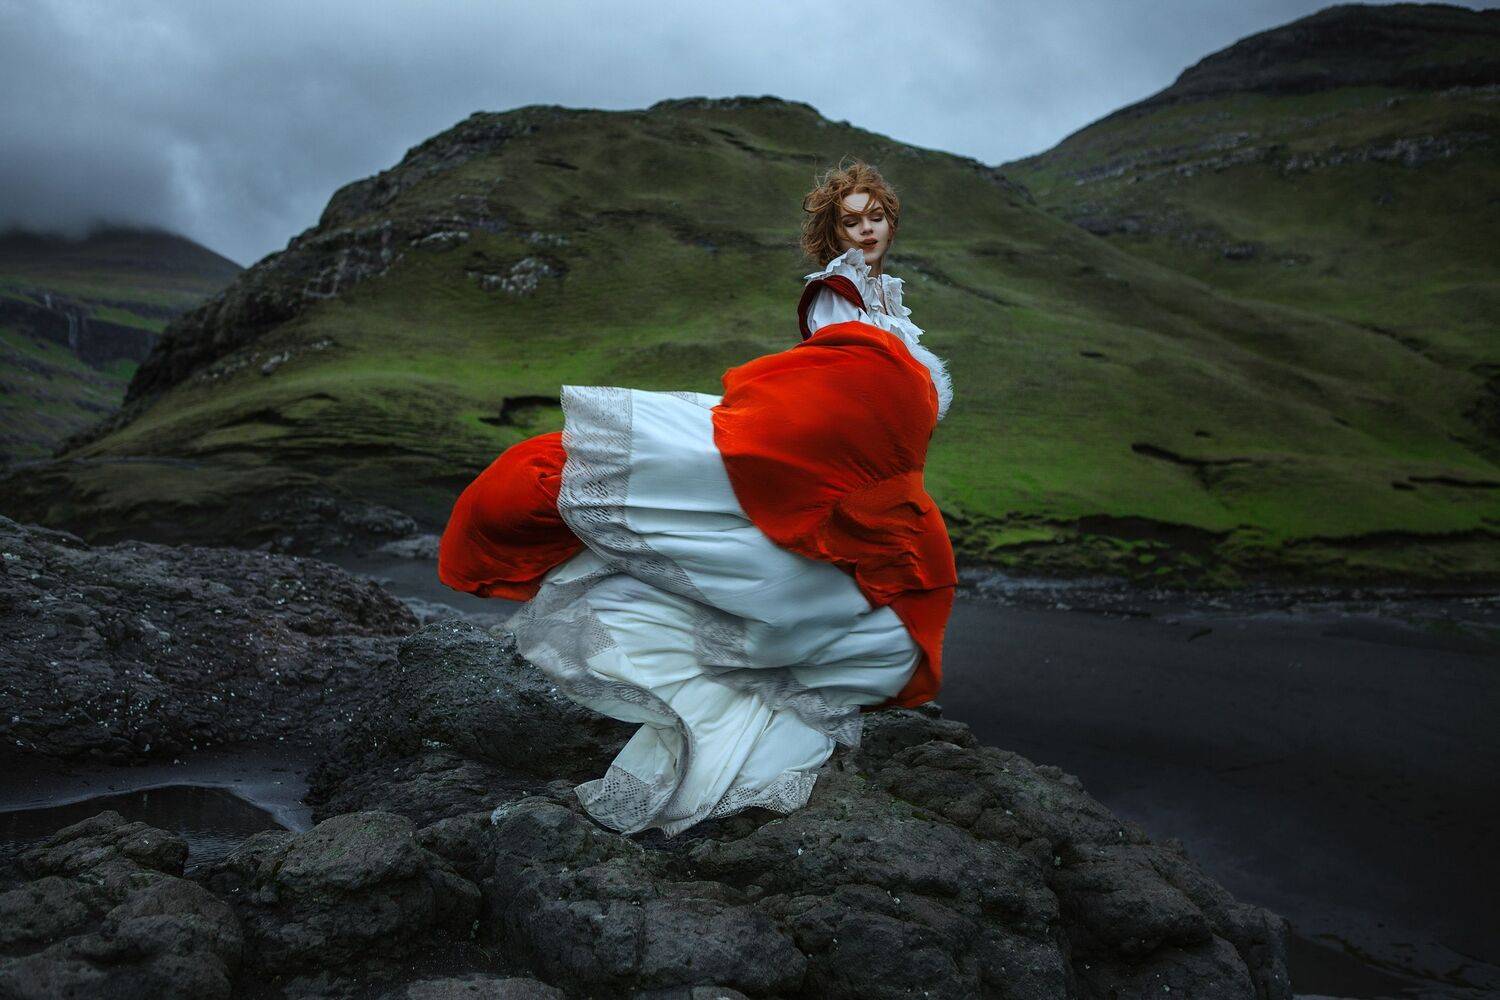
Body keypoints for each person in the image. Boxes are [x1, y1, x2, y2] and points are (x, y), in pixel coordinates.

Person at [437, 159, 956, 838]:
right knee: (841, 599)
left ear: (891, 219)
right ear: (833, 229)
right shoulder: (834, 295)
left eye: (876, 215)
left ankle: (768, 712)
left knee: (879, 607)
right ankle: (734, 736)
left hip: (880, 481)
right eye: (851, 219)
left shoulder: (887, 299)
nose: (866, 229)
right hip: (843, 469)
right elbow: (831, 387)